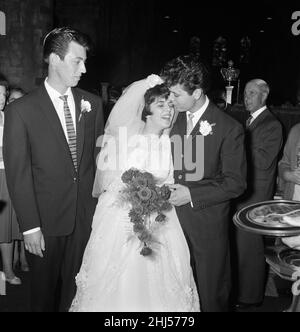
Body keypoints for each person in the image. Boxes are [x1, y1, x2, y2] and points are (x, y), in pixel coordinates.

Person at [70, 77, 200, 312]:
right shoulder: (125, 142)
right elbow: (110, 185)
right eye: (161, 105)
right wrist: (136, 200)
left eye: (171, 105)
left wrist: (160, 196)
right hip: (125, 223)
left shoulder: (172, 145)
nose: (168, 111)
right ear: (145, 110)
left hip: (162, 221)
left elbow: (171, 182)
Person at [3, 27, 104, 312]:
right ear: (54, 59)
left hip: (85, 218)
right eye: (77, 61)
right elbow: (18, 174)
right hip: (44, 224)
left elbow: (97, 162)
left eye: (85, 61)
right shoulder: (20, 111)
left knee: (77, 294)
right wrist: (30, 226)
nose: (84, 69)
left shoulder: (93, 104)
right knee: (43, 296)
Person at [160, 55, 247, 312]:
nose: (171, 101)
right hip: (168, 222)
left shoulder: (229, 128)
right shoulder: (170, 118)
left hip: (206, 225)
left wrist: (192, 194)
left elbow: (236, 183)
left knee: (210, 294)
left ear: (197, 92)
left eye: (176, 94)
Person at [234, 79, 283, 310]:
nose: (246, 97)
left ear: (264, 96)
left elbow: (263, 161)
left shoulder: (272, 124)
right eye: (245, 93)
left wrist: (237, 145)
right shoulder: (252, 120)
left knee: (251, 247)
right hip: (245, 191)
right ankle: (242, 292)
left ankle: (251, 298)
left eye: (252, 93)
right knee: (242, 245)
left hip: (257, 195)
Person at [5, 86, 29, 272]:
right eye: (12, 99)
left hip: (21, 173)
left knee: (21, 214)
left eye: (19, 100)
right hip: (4, 175)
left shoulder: (25, 121)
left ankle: (22, 254)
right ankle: (12, 259)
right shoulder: (3, 119)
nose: (15, 104)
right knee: (7, 221)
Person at [0, 78, 22, 286]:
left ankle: (7, 271)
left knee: (5, 228)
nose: (1, 99)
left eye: (3, 95)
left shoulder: (9, 117)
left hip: (7, 176)